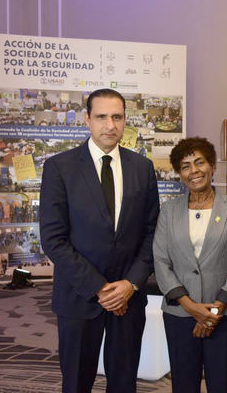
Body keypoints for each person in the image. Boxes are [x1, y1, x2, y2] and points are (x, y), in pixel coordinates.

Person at [39, 88, 160, 393]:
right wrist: (101, 289)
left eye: (117, 117)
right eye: (102, 117)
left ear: (125, 121)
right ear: (87, 120)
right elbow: (54, 239)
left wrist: (130, 285)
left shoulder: (142, 168)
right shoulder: (59, 168)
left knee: (123, 383)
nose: (110, 125)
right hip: (79, 297)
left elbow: (152, 233)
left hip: (128, 299)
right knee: (77, 382)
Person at [153, 137, 227, 393]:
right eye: (185, 166)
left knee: (221, 384)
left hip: (224, 314)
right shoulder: (168, 210)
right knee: (184, 384)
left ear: (212, 166)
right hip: (179, 313)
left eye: (199, 163)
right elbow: (161, 261)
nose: (194, 171)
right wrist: (191, 307)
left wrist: (214, 313)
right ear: (179, 173)